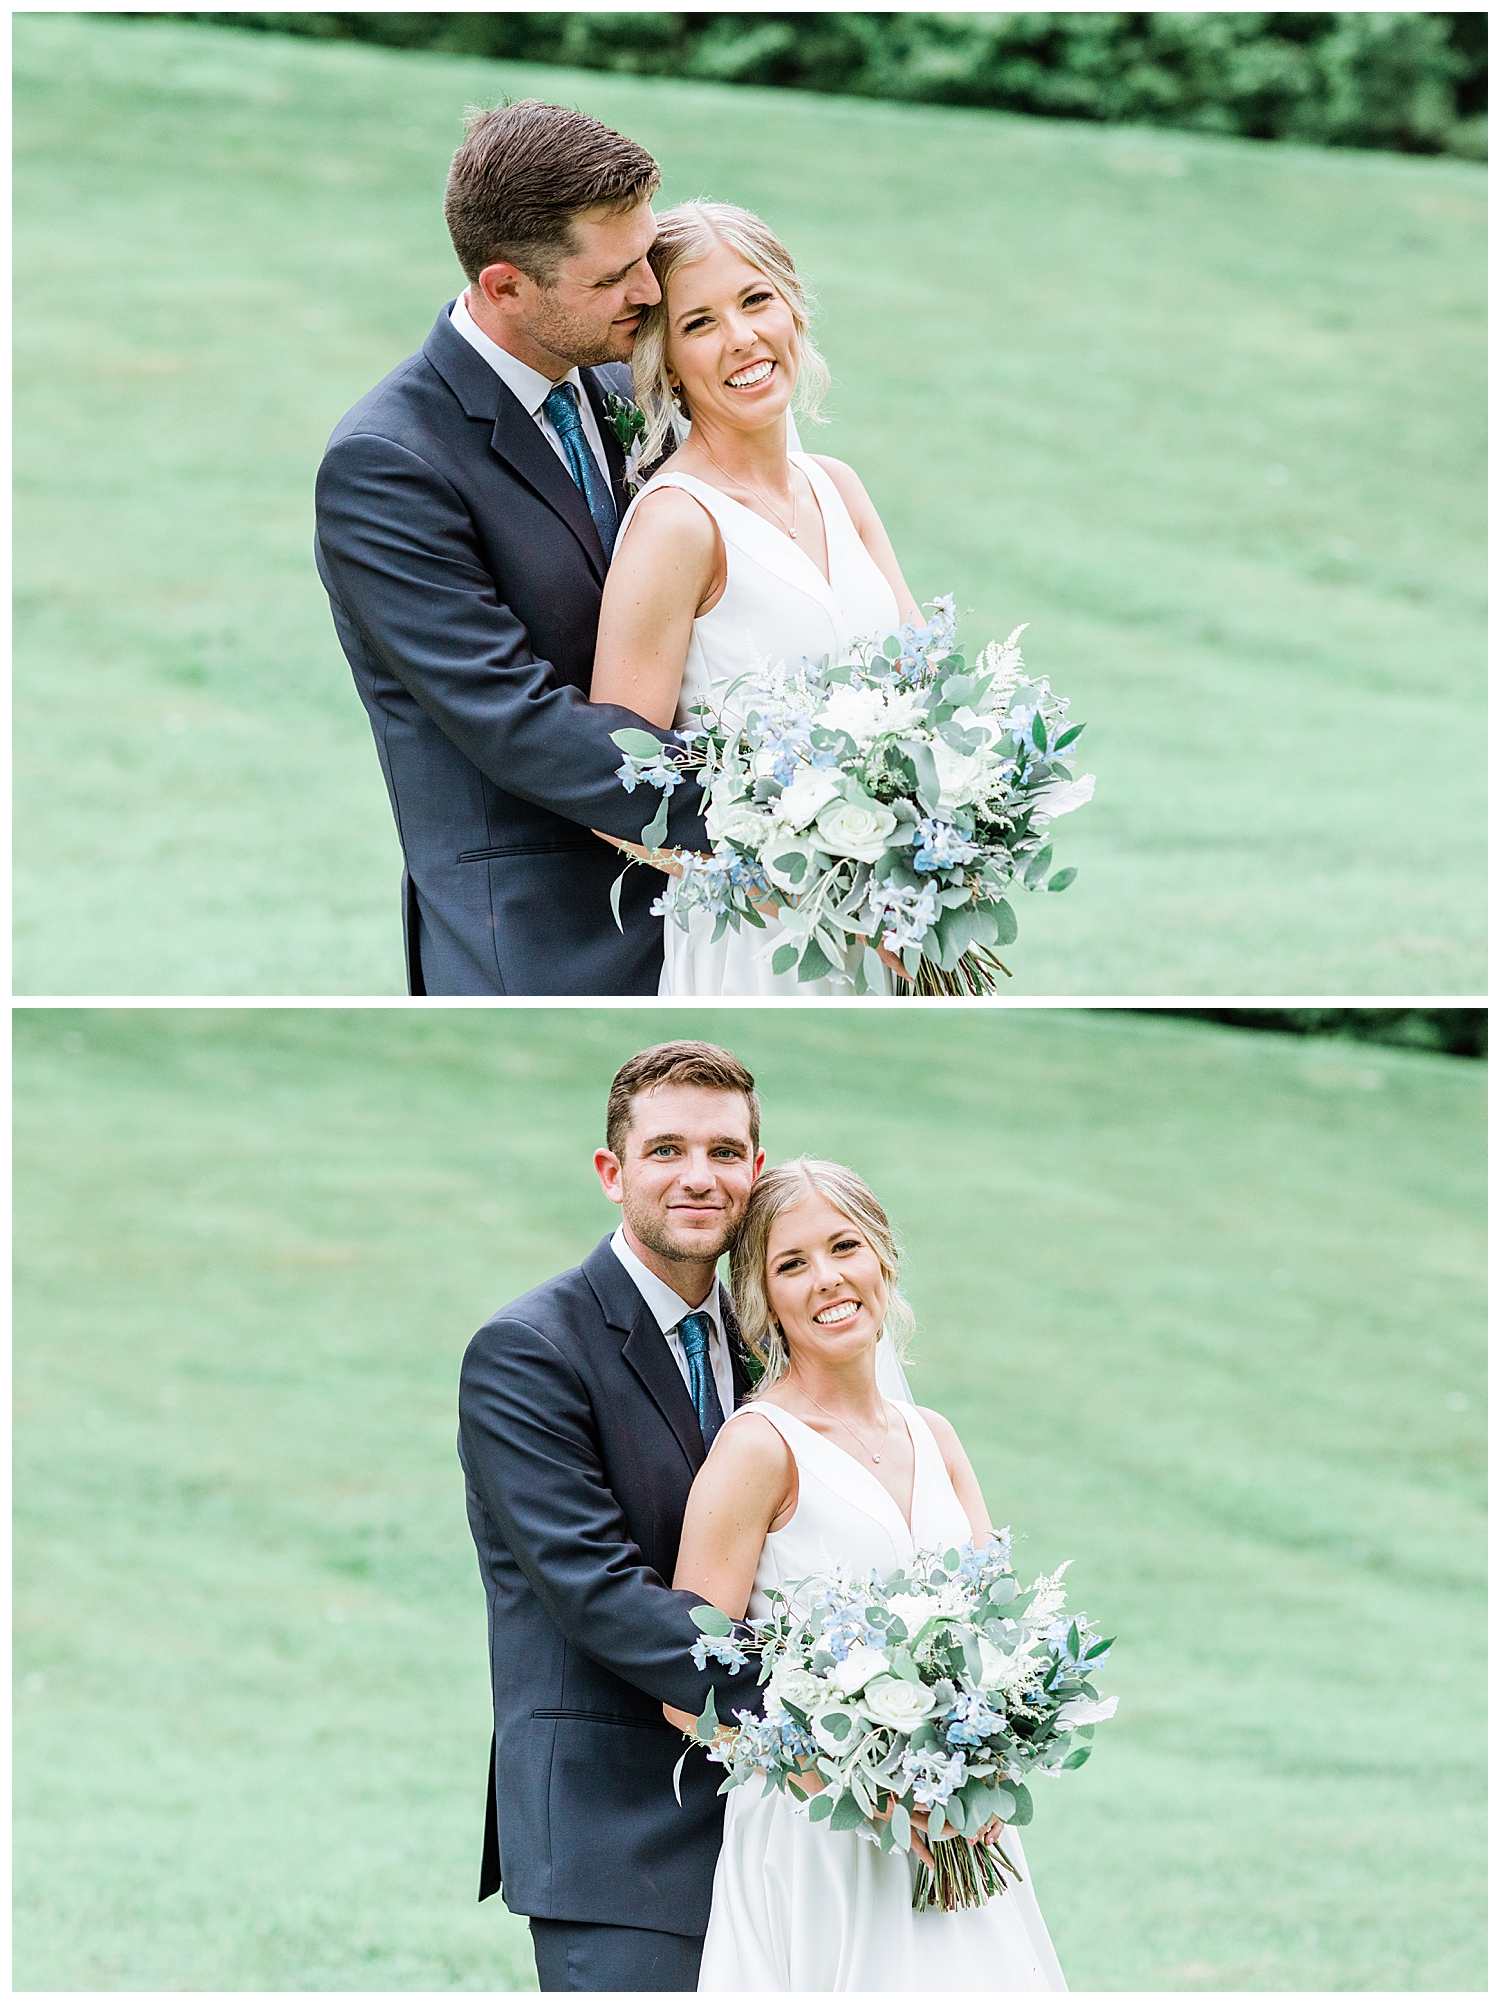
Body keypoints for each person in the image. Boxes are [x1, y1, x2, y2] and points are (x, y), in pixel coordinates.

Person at [457, 1043, 913, 1992]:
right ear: (611, 1172)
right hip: (623, 1840)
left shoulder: (770, 1340)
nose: (698, 1177)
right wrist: (840, 1721)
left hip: (804, 1838)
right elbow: (600, 1593)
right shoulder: (529, 1353)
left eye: (725, 1152)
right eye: (666, 1150)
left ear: (754, 1170)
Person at [315, 101, 707, 996]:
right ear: (505, 287)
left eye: (648, 253)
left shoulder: (624, 380)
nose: (651, 290)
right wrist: (786, 808)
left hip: (712, 915)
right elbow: (514, 717)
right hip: (541, 935)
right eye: (615, 276)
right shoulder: (388, 463)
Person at [669, 1158, 1068, 1991]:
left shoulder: (936, 1435)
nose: (827, 1280)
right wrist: (863, 1790)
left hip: (961, 1833)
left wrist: (982, 1765)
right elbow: (685, 1691)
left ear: (882, 1259)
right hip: (820, 1843)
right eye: (792, 1264)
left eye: (843, 1246)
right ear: (762, 1302)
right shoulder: (758, 1448)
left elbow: (996, 1638)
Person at [590, 201, 919, 997]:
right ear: (666, 362)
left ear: (795, 310)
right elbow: (612, 793)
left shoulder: (839, 487)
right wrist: (817, 888)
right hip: (760, 943)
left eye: (756, 300)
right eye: (700, 322)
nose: (741, 337)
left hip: (900, 925)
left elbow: (928, 698)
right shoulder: (678, 523)